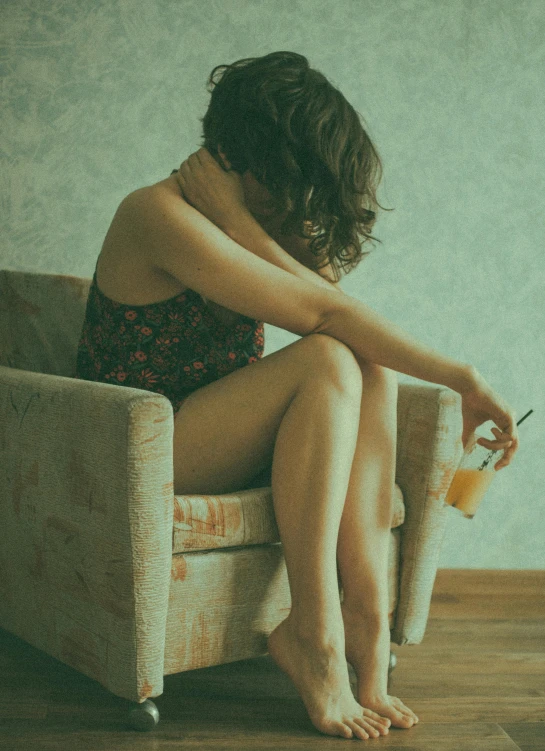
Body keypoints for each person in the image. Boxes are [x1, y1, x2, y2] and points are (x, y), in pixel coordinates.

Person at [75, 51, 519, 741]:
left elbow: (334, 309)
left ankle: (366, 623)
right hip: (138, 444)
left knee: (365, 366)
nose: (297, 205)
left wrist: (247, 227)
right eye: (285, 183)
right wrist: (465, 377)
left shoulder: (253, 215)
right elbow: (323, 318)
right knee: (329, 363)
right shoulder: (154, 213)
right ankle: (314, 628)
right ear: (236, 158)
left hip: (221, 434)